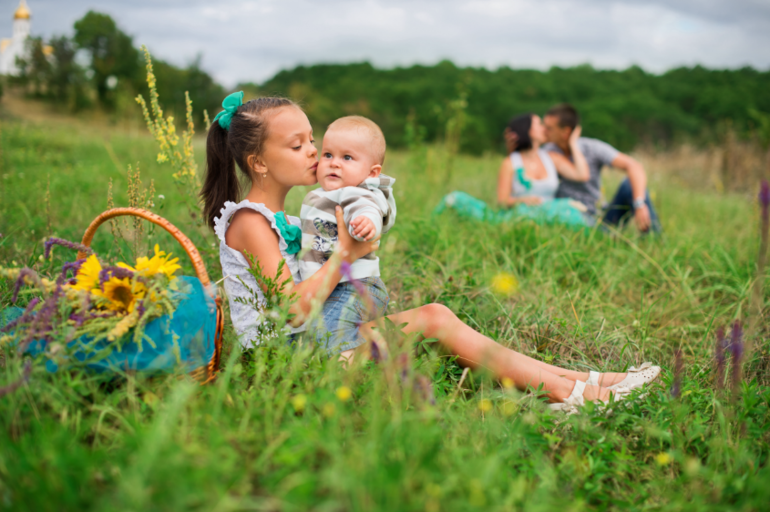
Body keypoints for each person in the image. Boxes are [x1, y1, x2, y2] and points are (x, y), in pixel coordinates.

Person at [200, 91, 660, 410]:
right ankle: (576, 395)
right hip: (288, 368)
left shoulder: (291, 217)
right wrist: (345, 254)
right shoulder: (250, 222)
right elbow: (293, 311)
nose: (314, 153)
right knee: (434, 319)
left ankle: (588, 382)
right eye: (297, 145)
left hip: (316, 347)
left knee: (436, 315)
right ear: (257, 162)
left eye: (312, 141)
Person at [299, 115, 396, 354]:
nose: (334, 163)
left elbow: (369, 207)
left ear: (372, 173)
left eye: (347, 157)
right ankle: (376, 351)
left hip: (353, 286)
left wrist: (367, 222)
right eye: (328, 154)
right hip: (330, 286)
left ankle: (344, 375)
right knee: (319, 335)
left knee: (331, 339)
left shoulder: (356, 192)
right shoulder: (322, 194)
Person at [435, 113, 590, 227]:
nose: (544, 128)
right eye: (539, 124)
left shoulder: (552, 158)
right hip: (519, 215)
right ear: (527, 130)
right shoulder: (510, 163)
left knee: (570, 212)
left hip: (549, 214)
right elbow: (502, 201)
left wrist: (573, 143)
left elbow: (582, 175)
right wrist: (522, 200)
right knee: (456, 198)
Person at [540, 103, 661, 233]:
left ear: (566, 132)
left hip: (598, 216)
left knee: (628, 184)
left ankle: (653, 239)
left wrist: (639, 204)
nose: (543, 131)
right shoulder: (546, 152)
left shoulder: (592, 147)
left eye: (549, 128)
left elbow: (634, 166)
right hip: (567, 216)